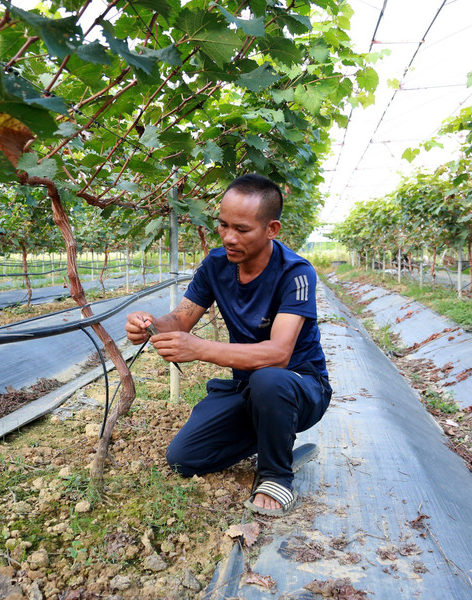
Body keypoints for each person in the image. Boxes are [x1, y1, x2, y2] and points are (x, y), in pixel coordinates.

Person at [125, 174, 331, 516]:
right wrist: (148, 325)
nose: (229, 237)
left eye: (242, 229)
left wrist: (201, 349)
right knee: (183, 458)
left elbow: (279, 355)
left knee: (269, 378)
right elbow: (179, 320)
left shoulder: (296, 273)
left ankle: (276, 474)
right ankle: (273, 437)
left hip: (299, 386)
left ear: (272, 229)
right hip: (247, 388)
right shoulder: (216, 266)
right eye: (222, 225)